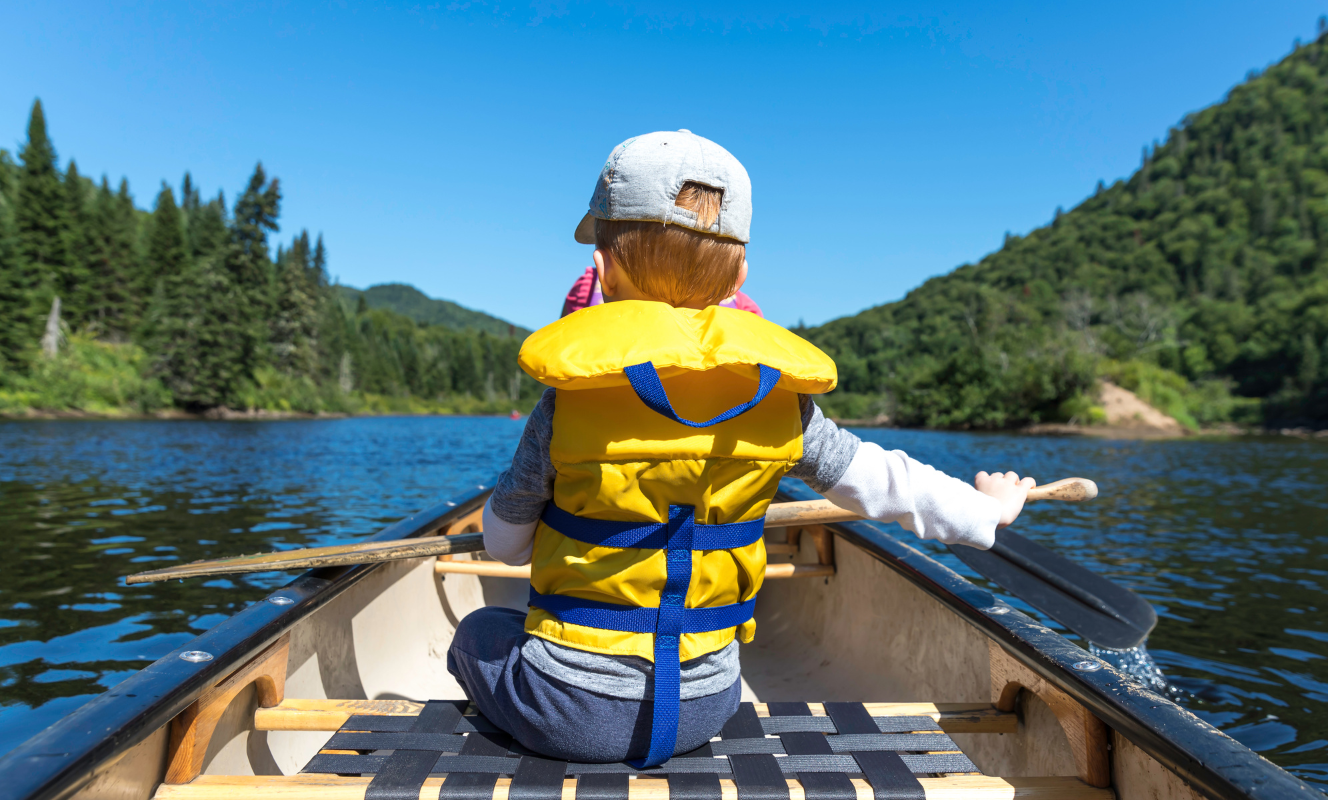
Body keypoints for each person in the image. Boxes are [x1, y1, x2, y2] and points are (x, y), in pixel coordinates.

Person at [447, 130, 1034, 766]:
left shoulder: (568, 403)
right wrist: (985, 511)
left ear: (601, 271)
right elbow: (883, 482)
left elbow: (504, 546)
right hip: (706, 707)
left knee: (478, 633)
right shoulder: (778, 400)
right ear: (740, 275)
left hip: (570, 709)